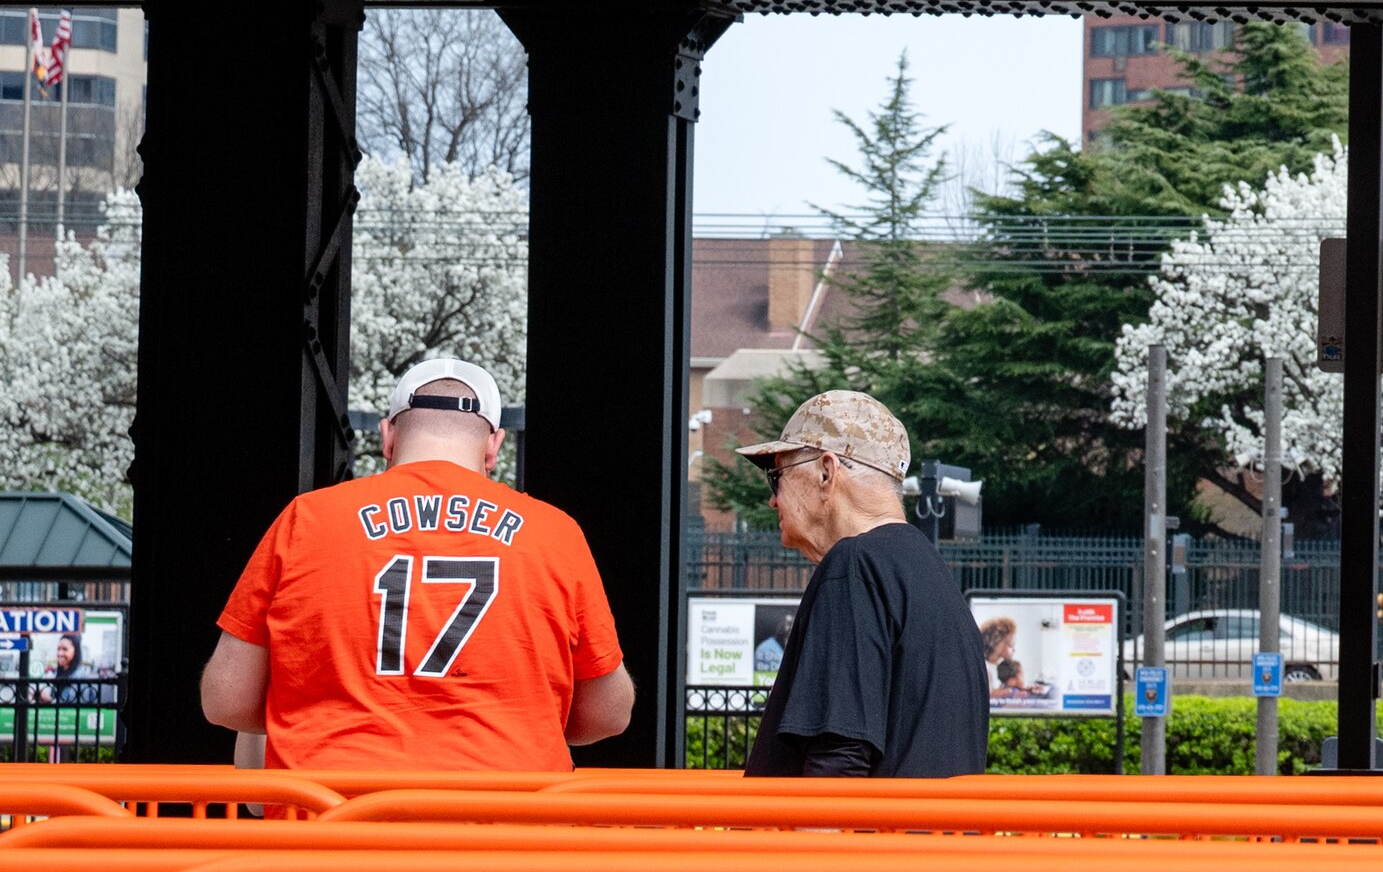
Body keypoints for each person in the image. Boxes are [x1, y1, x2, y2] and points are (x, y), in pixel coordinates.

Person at [199, 353, 632, 771]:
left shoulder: (306, 519)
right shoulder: (554, 533)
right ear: (493, 446)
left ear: (387, 437)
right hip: (502, 829)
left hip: (334, 825)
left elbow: (227, 700)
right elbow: (608, 714)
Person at [738, 389, 988, 778]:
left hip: (870, 839)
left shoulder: (855, 565)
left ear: (826, 471)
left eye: (777, 477)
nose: (773, 500)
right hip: (931, 837)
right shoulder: (931, 574)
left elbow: (836, 763)